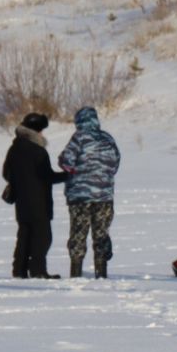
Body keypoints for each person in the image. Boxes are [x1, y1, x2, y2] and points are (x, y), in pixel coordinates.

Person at [2, 112, 69, 279]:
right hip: (38, 202)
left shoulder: (14, 148)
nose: (42, 134)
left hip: (21, 202)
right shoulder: (38, 151)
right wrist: (67, 175)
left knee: (24, 236)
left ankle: (19, 270)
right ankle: (38, 271)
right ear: (36, 131)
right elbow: (46, 176)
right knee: (42, 237)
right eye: (41, 131)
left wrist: (21, 183)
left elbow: (6, 173)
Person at [58, 106, 121, 278]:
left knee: (79, 234)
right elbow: (115, 164)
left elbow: (66, 163)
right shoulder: (108, 138)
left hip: (80, 196)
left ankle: (76, 273)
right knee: (101, 234)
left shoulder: (79, 138)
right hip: (105, 196)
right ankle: (101, 273)